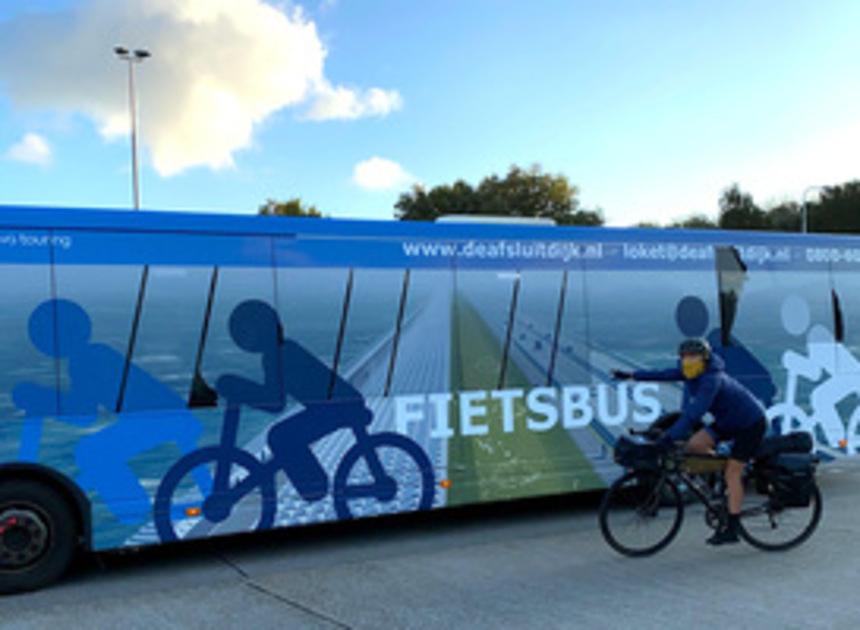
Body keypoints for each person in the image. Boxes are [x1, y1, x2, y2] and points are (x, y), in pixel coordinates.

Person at [612, 338, 767, 546]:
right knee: (695, 445)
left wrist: (669, 437)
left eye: (693, 356)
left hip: (750, 423)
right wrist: (631, 375)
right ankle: (721, 487)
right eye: (684, 357)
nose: (687, 361)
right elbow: (664, 374)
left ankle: (732, 527)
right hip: (727, 421)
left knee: (733, 472)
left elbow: (692, 415)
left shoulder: (711, 379)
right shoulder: (691, 373)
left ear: (704, 358)